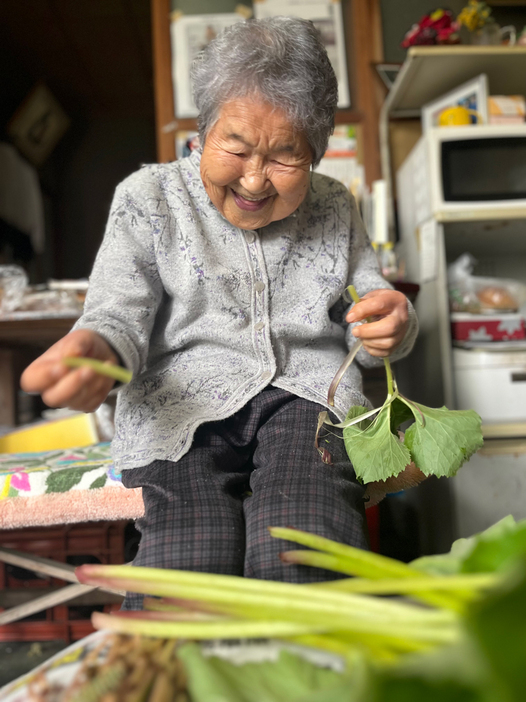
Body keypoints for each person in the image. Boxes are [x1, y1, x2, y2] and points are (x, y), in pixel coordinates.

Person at [21, 17, 418, 608]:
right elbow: (117, 314)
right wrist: (93, 352)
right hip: (180, 410)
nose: (256, 179)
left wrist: (396, 321)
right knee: (189, 567)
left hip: (307, 401)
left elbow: (370, 298)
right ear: (200, 134)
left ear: (316, 151)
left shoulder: (335, 204)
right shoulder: (148, 198)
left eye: (286, 156)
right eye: (236, 147)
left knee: (303, 546)